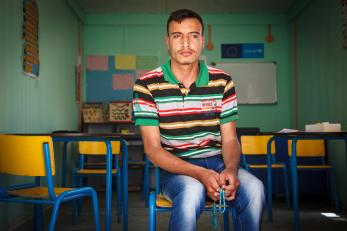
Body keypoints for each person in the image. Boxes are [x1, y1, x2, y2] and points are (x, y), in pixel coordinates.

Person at [132, 9, 265, 231]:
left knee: (255, 188)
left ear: (202, 41)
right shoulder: (146, 85)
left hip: (218, 163)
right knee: (192, 190)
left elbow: (230, 140)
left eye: (193, 35)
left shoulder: (223, 82)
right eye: (177, 36)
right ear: (168, 42)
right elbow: (153, 150)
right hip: (175, 169)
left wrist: (231, 169)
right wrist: (199, 173)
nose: (185, 43)